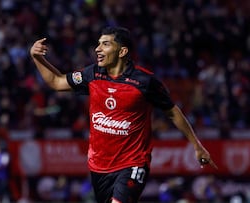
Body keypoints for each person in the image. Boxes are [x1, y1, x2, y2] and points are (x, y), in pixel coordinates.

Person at [30, 26, 218, 203]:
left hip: (133, 163)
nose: (97, 49)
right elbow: (56, 82)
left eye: (105, 44)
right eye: (98, 44)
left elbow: (172, 112)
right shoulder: (93, 74)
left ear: (122, 52)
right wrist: (38, 58)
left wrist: (197, 145)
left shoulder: (144, 81)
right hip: (98, 166)